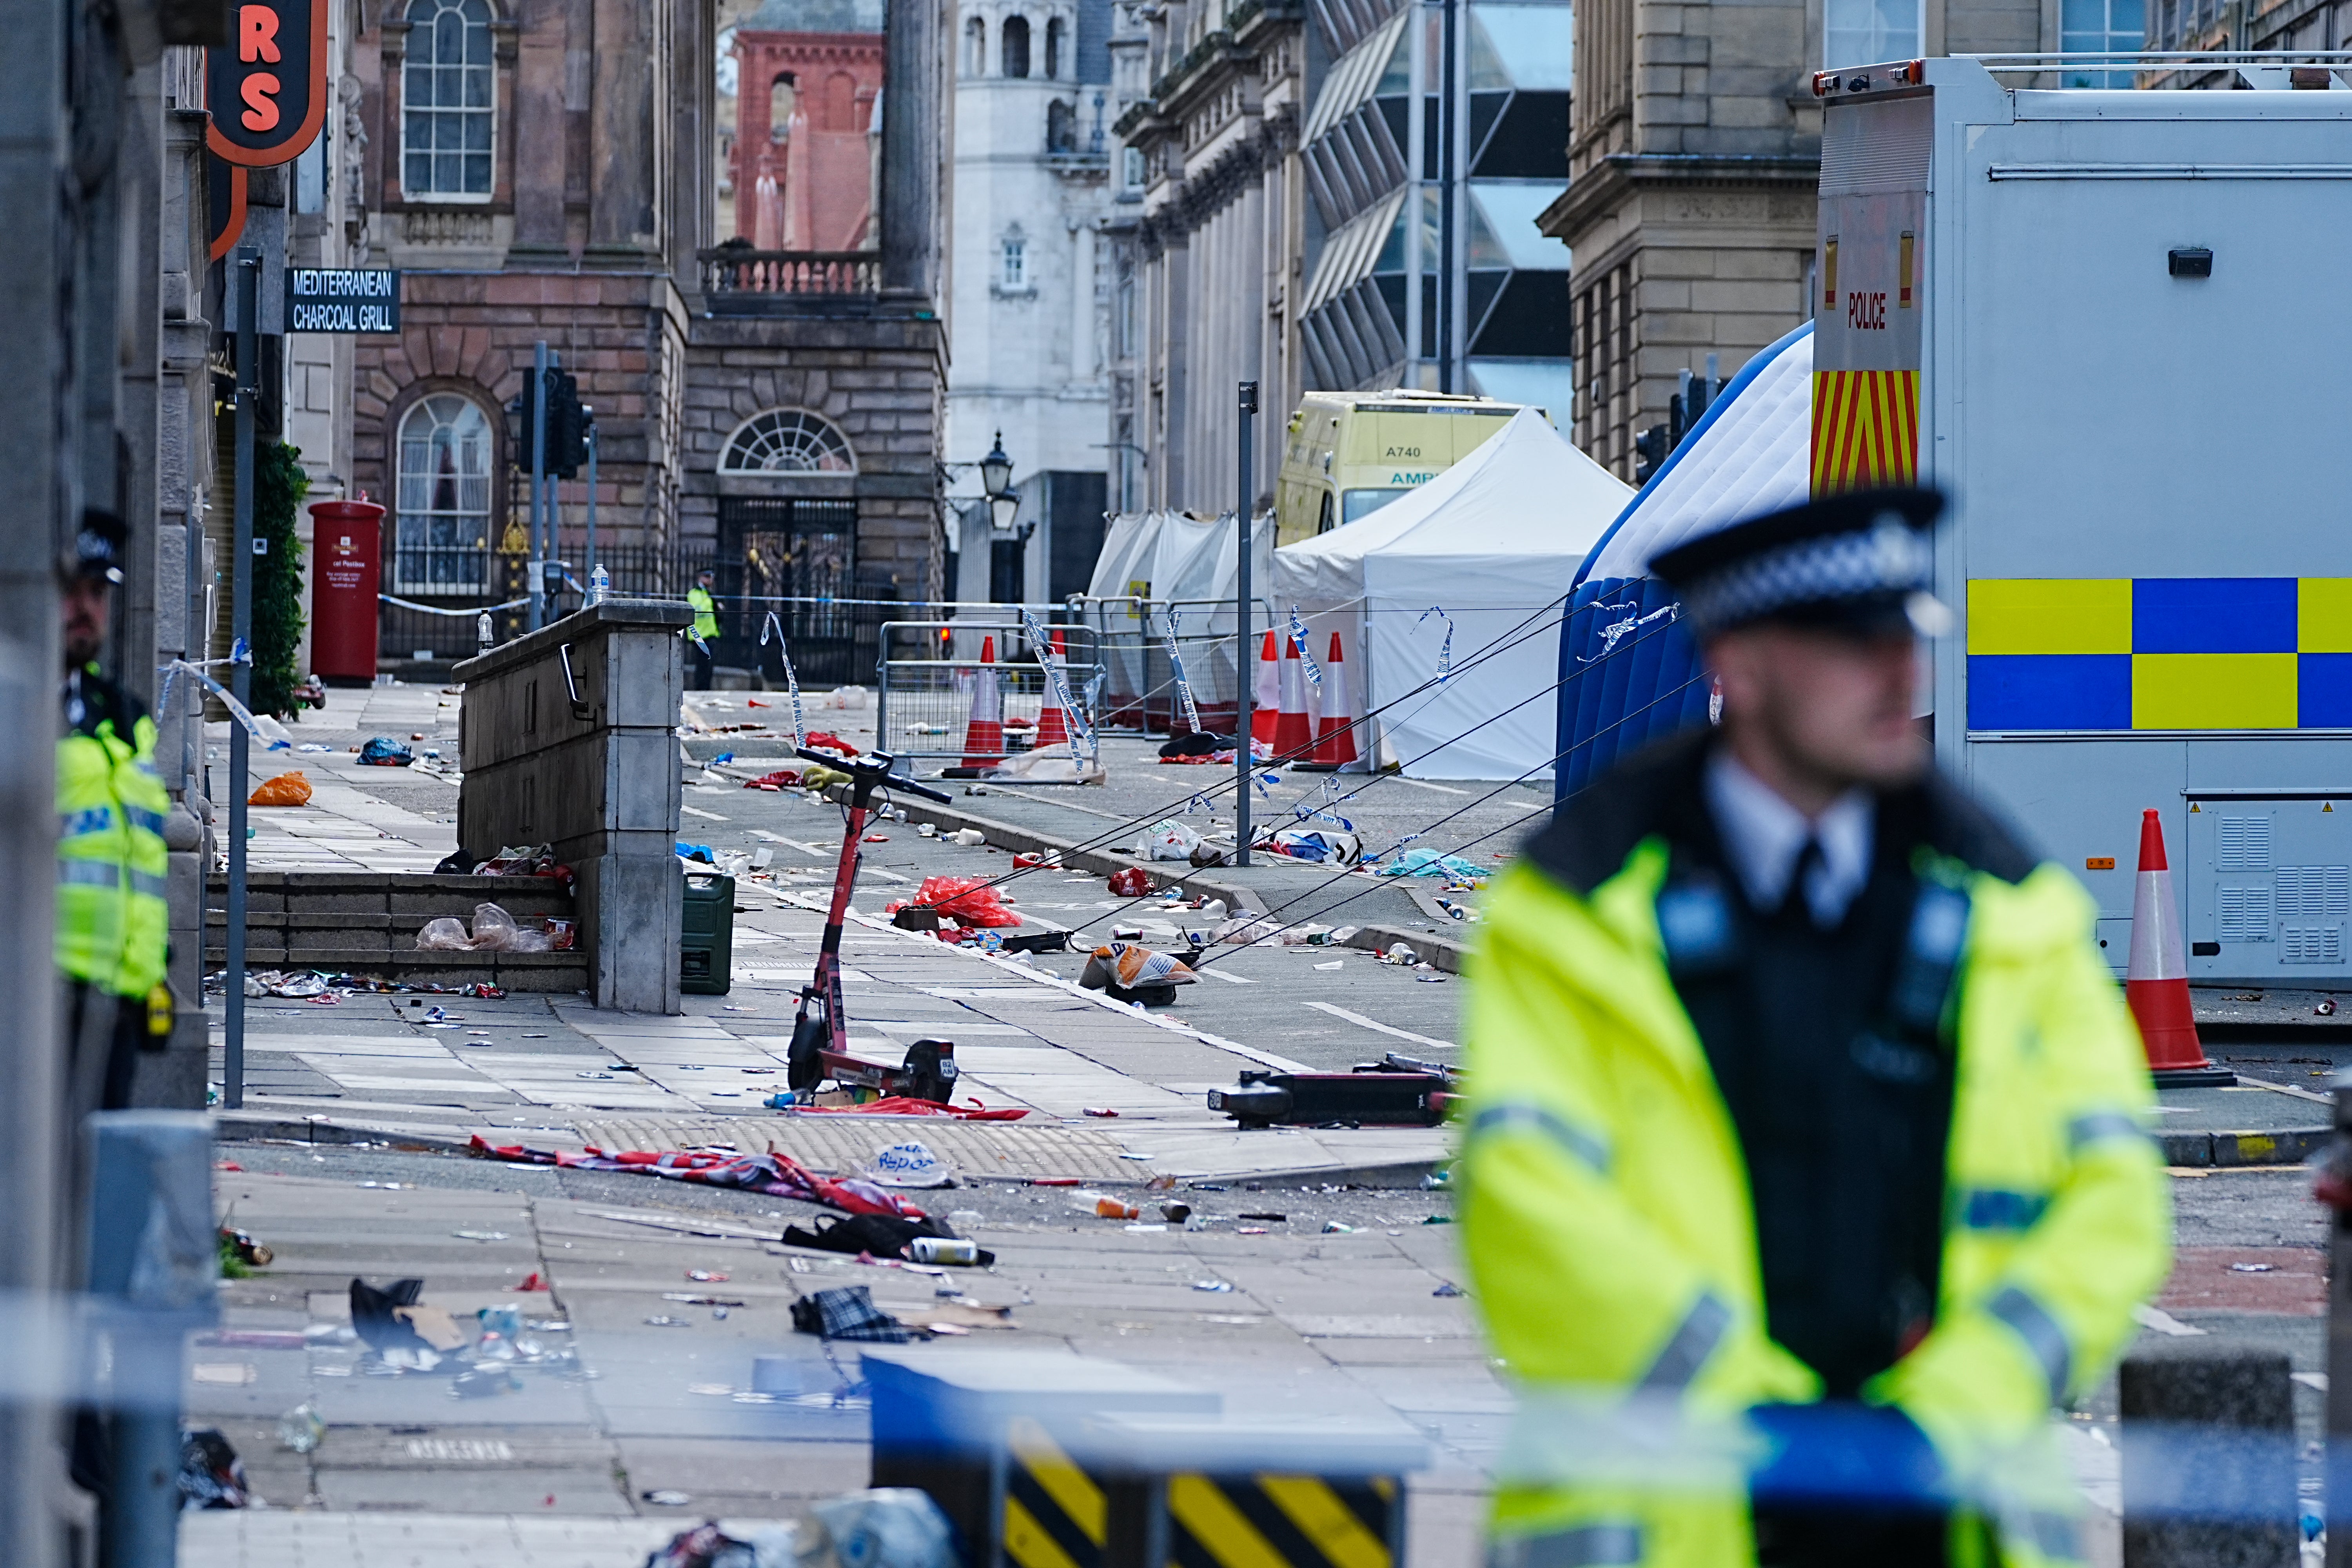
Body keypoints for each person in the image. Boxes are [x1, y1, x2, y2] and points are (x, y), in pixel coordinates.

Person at [1461, 488, 2169, 1568]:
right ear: (1738, 669)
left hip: (1946, 1512)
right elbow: (1526, 1202)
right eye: (1853, 644)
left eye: (1908, 636)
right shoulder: (1571, 917)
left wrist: (1950, 1411)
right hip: (1677, 1524)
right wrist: (1751, 1419)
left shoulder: (2015, 912)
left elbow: (2113, 1201)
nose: (1902, 674)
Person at [58, 510, 173, 1116]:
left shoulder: (122, 716)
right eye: (72, 591)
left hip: (118, 1004)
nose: (86, 609)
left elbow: (138, 858)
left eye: (98, 593)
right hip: (38, 1000)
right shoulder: (22, 707)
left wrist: (154, 973)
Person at [686, 568, 719, 690]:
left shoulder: (709, 593)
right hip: (698, 634)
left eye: (711, 576)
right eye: (707, 576)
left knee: (709, 664)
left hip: (711, 633)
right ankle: (700, 687)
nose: (710, 579)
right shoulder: (694, 593)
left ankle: (706, 688)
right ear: (700, 577)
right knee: (702, 663)